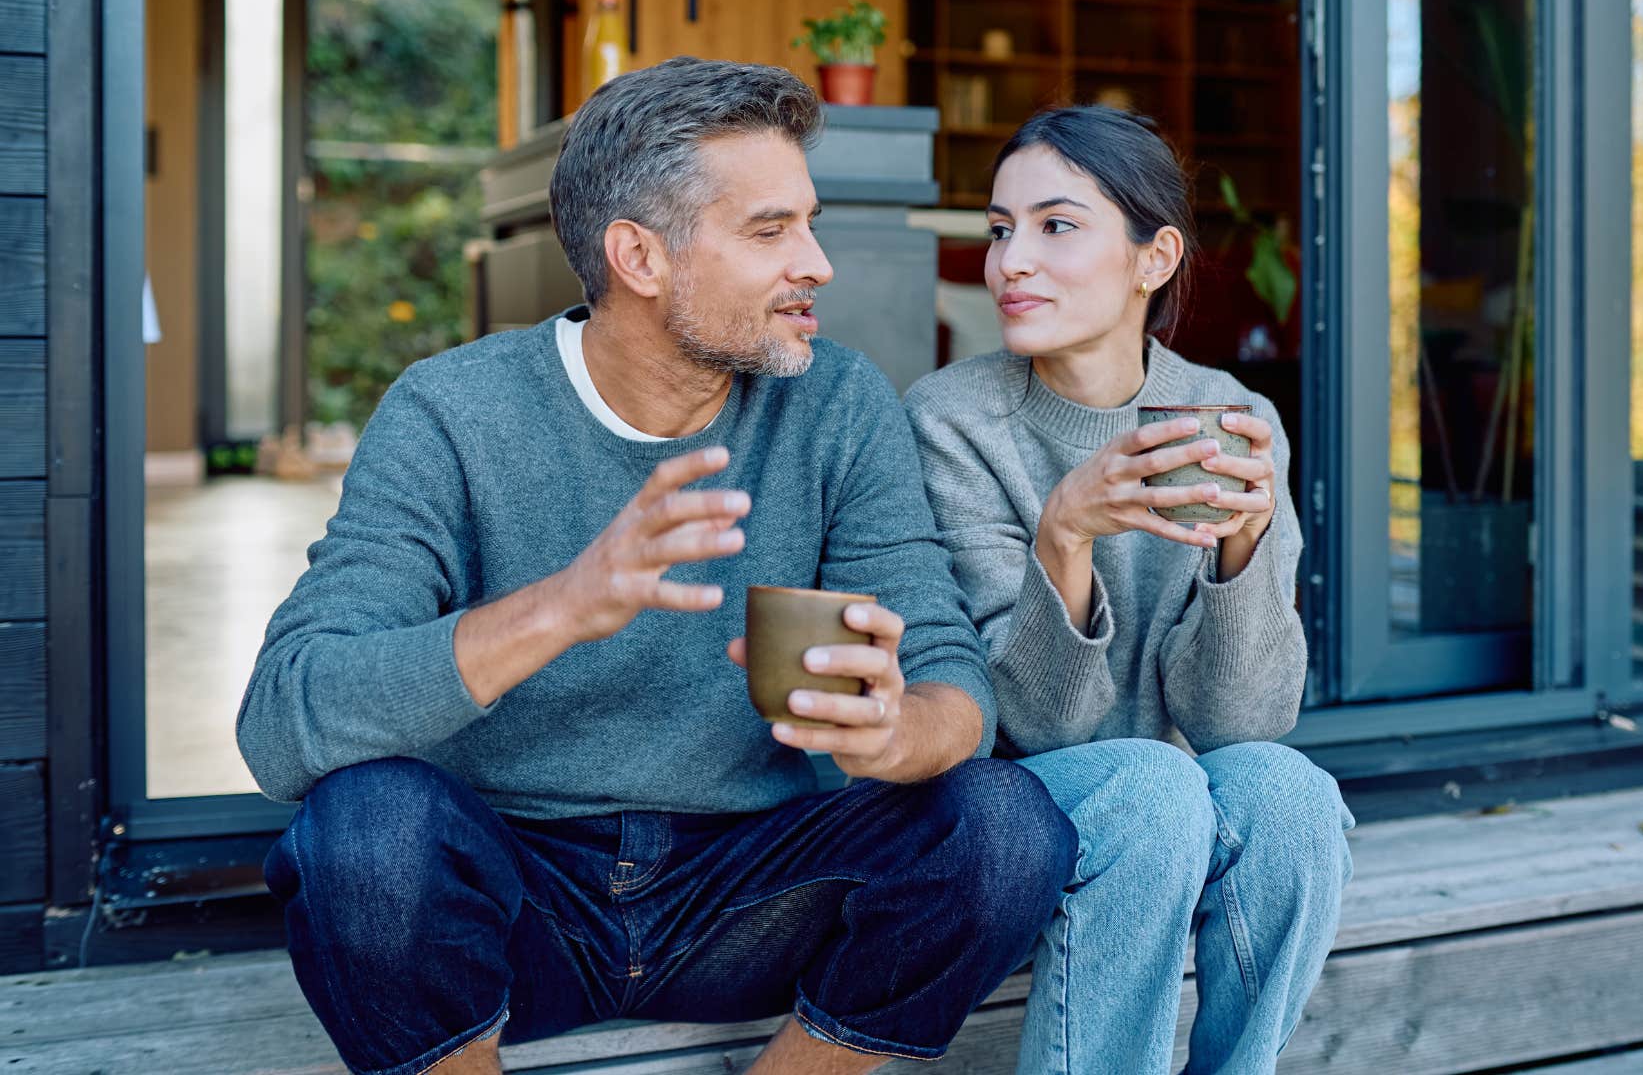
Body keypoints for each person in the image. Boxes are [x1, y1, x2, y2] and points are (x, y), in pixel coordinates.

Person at [236, 58, 1076, 1075]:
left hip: (753, 896)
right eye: (770, 232)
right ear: (638, 255)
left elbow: (952, 677)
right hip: (516, 907)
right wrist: (562, 607)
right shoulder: (450, 414)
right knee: (362, 833)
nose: (816, 262)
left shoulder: (837, 404)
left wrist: (899, 730)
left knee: (1003, 823)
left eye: (807, 223)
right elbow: (285, 724)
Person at [902, 106, 1355, 1075]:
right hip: (1004, 821)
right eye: (999, 228)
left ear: (1153, 259)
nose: (1011, 261)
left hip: (1172, 809)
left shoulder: (1233, 423)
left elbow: (1246, 720)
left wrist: (1245, 548)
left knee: (1291, 795)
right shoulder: (952, 422)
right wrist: (1064, 532)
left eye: (1056, 226)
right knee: (1152, 786)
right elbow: (1028, 724)